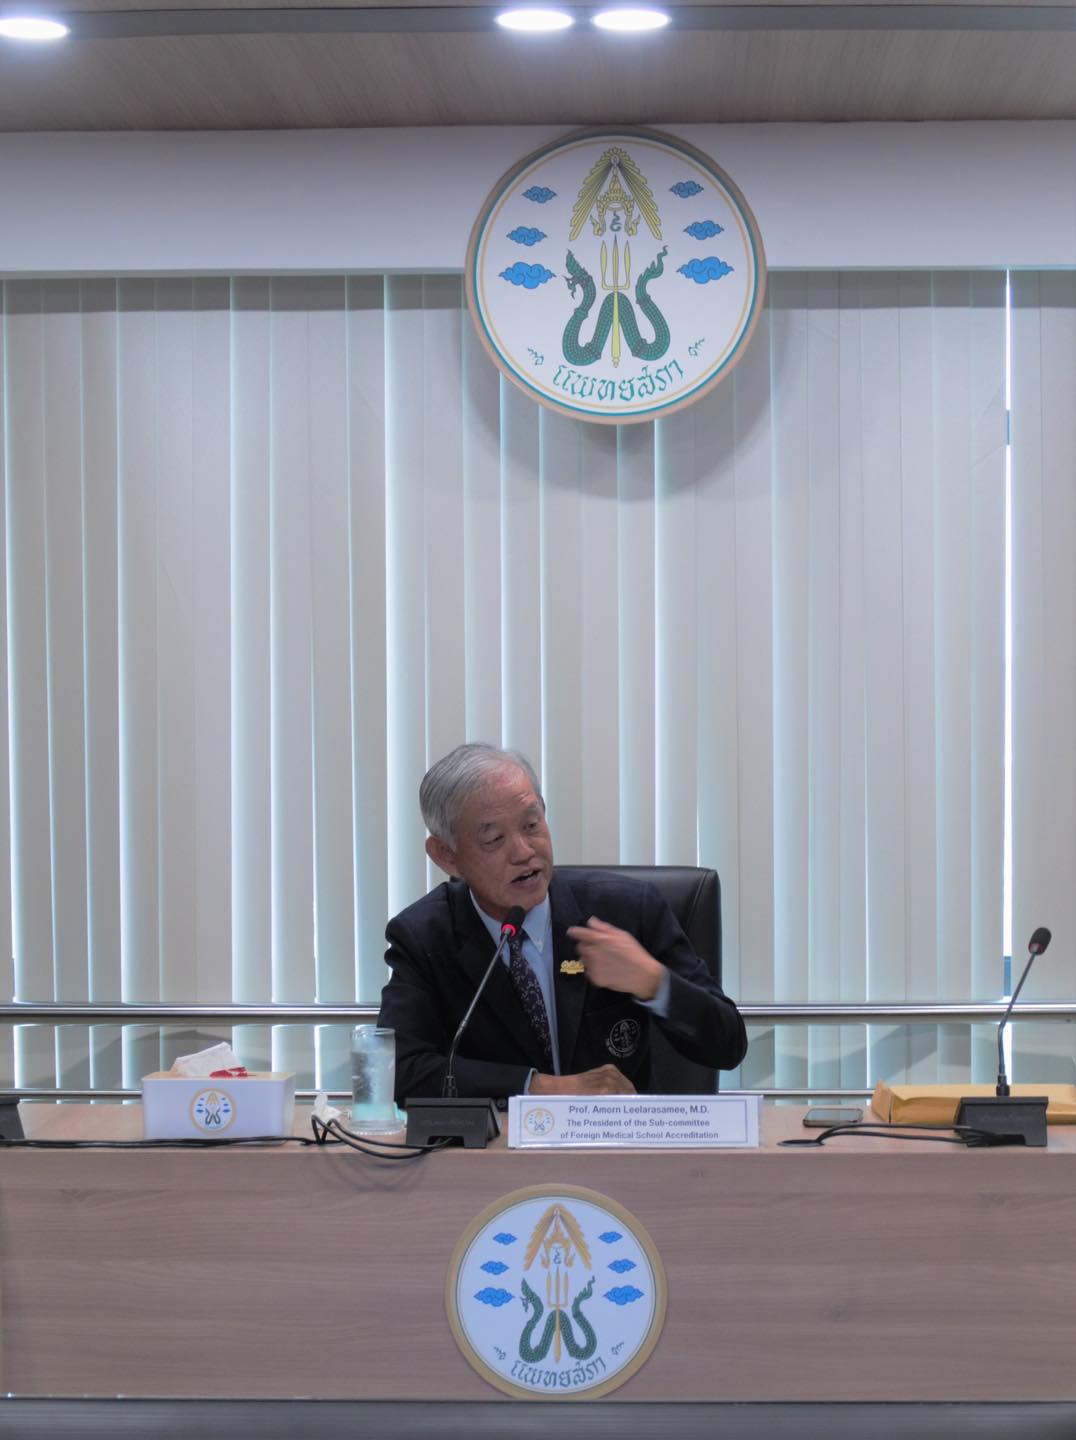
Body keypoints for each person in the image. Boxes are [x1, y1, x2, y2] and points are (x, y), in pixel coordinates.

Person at [378, 742, 747, 1102]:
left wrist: (653, 981)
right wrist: (539, 1088)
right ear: (446, 855)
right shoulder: (424, 936)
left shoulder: (627, 912)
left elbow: (728, 1044)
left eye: (532, 824)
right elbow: (399, 1072)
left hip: (619, 1153)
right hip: (497, 1159)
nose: (524, 852)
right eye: (494, 839)